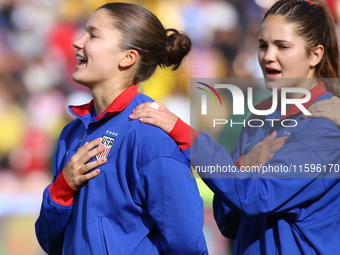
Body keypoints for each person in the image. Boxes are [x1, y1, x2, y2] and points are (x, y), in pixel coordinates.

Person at [130, 0, 340, 254]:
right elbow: (228, 219)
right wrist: (242, 166)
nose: (268, 56)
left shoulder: (327, 125)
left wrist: (184, 134)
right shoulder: (260, 116)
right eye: (263, 45)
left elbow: (256, 197)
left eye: (282, 46)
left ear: (315, 54)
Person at [35, 3, 208, 255]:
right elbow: (49, 241)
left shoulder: (150, 134)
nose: (77, 42)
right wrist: (62, 188)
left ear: (127, 57)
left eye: (92, 35)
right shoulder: (70, 134)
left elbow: (188, 244)